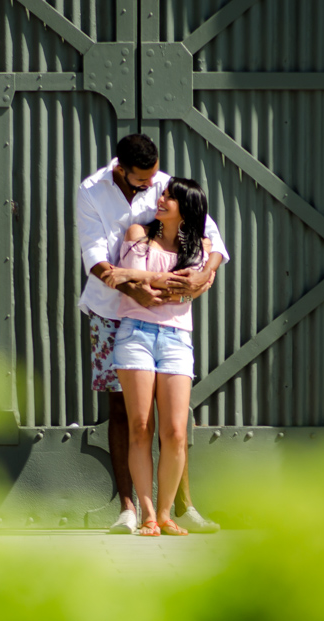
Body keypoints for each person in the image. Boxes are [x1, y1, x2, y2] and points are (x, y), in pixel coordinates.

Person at [75, 134, 228, 533]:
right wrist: (134, 288)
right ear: (121, 170)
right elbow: (94, 256)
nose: (152, 185)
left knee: (174, 421)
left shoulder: (162, 184)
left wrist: (204, 276)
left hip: (168, 320)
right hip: (111, 310)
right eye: (143, 178)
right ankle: (130, 508)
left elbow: (208, 232)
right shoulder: (91, 191)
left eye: (154, 175)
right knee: (123, 411)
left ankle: (182, 506)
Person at [110, 178, 210, 535]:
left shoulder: (196, 245)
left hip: (177, 339)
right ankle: (148, 514)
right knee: (140, 426)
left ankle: (167, 514)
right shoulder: (138, 233)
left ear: (187, 207)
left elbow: (189, 290)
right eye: (163, 194)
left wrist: (143, 278)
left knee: (175, 431)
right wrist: (174, 287)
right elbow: (143, 291)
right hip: (135, 334)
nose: (161, 199)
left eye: (170, 197)